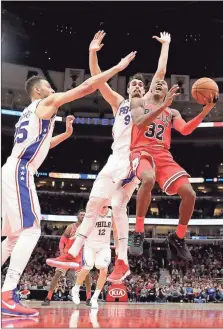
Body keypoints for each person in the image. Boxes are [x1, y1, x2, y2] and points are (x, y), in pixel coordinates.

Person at [1, 52, 135, 317]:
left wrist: (67, 134)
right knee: (31, 231)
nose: (53, 90)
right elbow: (85, 87)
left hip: (13, 169)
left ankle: (6, 292)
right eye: (49, 87)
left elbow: (41, 145)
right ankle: (7, 293)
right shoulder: (46, 101)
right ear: (39, 90)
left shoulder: (29, 113)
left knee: (13, 237)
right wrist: (117, 67)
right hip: (20, 171)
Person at [51, 30, 172, 283]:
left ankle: (120, 261)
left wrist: (165, 46)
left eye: (141, 84)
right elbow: (97, 80)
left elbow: (160, 74)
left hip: (133, 158)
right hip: (113, 159)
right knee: (94, 203)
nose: (138, 86)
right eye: (134, 84)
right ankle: (77, 254)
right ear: (127, 89)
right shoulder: (118, 103)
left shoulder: (147, 101)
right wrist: (92, 53)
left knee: (117, 206)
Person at [129, 47, 219, 258]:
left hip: (163, 155)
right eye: (157, 83)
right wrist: (162, 106)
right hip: (140, 152)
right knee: (148, 178)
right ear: (150, 89)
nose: (160, 83)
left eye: (164, 84)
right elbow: (140, 123)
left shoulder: (172, 111)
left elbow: (186, 130)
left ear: (168, 92)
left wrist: (205, 110)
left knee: (190, 194)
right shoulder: (139, 101)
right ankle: (139, 231)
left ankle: (178, 237)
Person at [72, 203, 117, 308]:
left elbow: (115, 230)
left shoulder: (112, 213)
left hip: (104, 246)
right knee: (88, 266)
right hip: (90, 245)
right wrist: (76, 236)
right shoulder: (92, 211)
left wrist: (118, 246)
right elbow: (82, 227)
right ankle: (76, 288)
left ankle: (95, 297)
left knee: (104, 269)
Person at [42, 209, 91, 306]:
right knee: (57, 275)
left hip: (79, 255)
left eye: (84, 215)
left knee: (87, 276)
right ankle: (48, 297)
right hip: (67, 254)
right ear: (77, 216)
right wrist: (61, 252)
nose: (82, 216)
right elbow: (62, 240)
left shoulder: (87, 228)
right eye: (81, 214)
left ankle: (89, 299)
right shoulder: (70, 227)